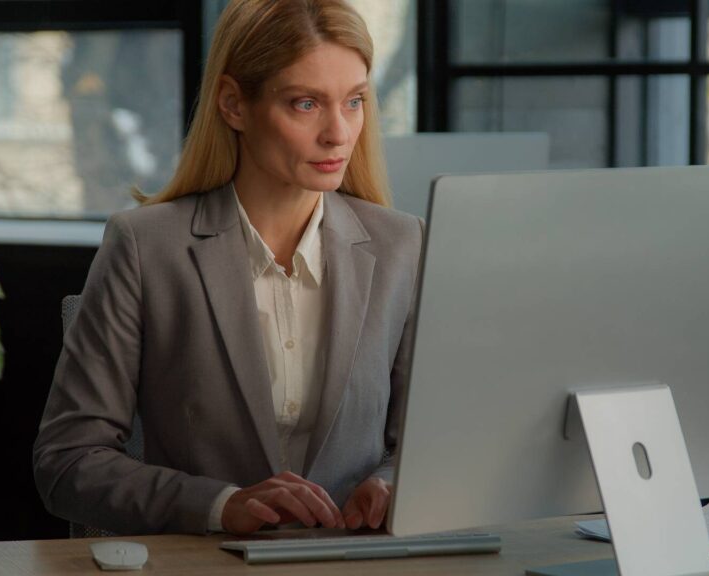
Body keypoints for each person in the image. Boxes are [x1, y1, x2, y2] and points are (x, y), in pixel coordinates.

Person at [33, 0, 422, 536]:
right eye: (306, 104)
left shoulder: (400, 244)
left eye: (354, 101)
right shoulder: (146, 247)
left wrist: (392, 483)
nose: (339, 133)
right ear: (234, 105)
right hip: (202, 564)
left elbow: (426, 442)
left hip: (353, 562)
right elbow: (67, 461)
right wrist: (222, 505)